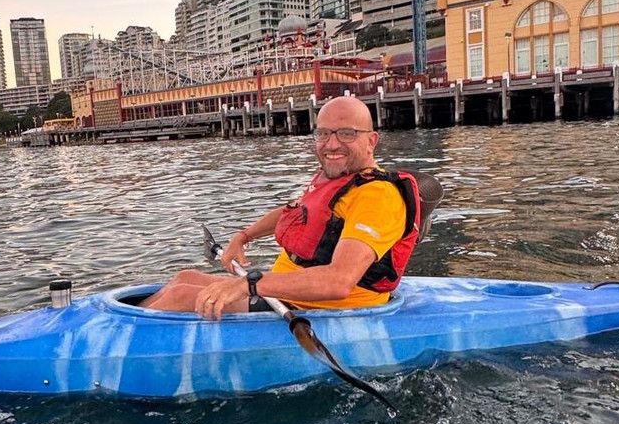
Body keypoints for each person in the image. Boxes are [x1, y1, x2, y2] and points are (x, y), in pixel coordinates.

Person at [144, 96, 439, 319]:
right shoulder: (337, 177)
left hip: (323, 308)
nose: (332, 144)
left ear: (372, 141)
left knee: (181, 296)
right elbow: (295, 212)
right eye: (324, 134)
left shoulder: (377, 197)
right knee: (184, 278)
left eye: (346, 133)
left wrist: (250, 284)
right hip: (284, 293)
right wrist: (242, 237)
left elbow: (339, 281)